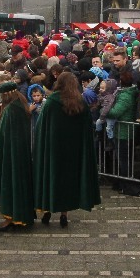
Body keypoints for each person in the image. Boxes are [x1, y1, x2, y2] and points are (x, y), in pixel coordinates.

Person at [33, 70, 100, 227]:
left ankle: (48, 211)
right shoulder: (80, 103)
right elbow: (87, 129)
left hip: (53, 150)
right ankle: (64, 214)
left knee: (52, 179)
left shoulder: (51, 103)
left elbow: (41, 127)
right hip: (73, 151)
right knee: (68, 182)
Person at [0, 82, 36, 231]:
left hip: (11, 154)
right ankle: (22, 215)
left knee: (12, 184)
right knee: (21, 183)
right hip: (21, 152)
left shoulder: (11, 110)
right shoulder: (21, 105)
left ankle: (12, 217)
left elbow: (5, 131)